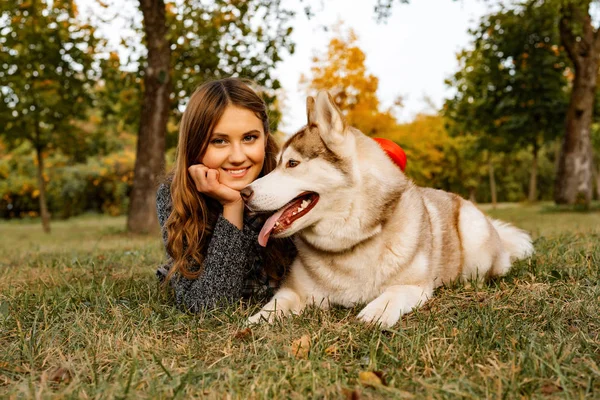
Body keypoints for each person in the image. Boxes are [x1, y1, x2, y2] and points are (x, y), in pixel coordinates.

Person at [155, 77, 296, 312]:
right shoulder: (175, 196)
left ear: (264, 138)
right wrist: (232, 205)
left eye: (249, 138)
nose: (238, 156)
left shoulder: (289, 186)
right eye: (219, 141)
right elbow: (209, 305)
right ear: (195, 145)